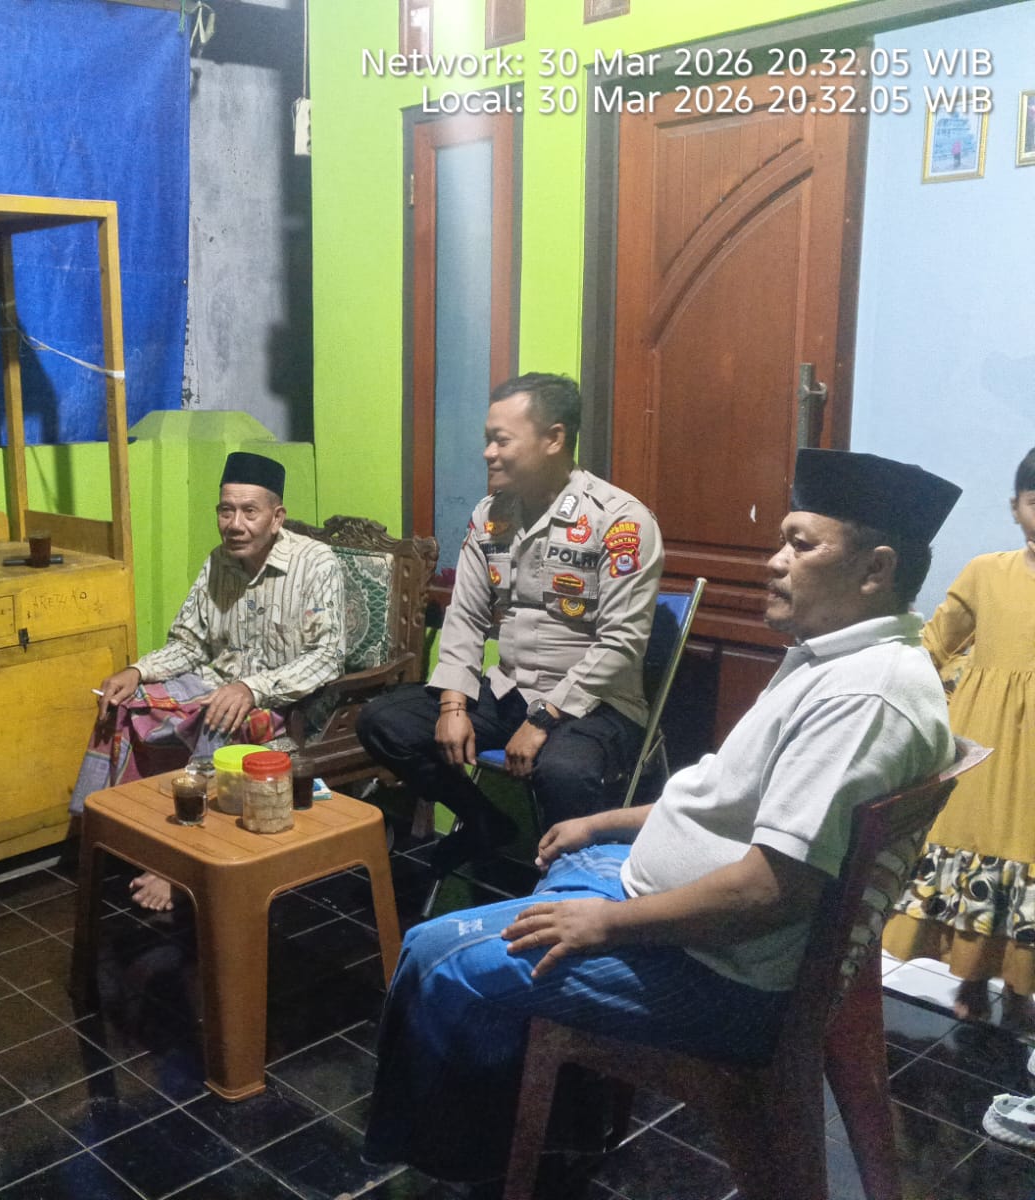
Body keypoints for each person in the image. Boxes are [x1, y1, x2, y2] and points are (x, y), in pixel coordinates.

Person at [361, 449, 960, 1185]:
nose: (774, 562)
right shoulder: (832, 659)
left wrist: (606, 924)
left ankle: (454, 1165)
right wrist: (604, 825)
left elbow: (771, 891)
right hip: (687, 922)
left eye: (800, 545)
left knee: (436, 958)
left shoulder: (864, 697)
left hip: (721, 974)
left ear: (876, 570)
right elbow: (721, 791)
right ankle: (553, 1115)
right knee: (568, 860)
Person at [357, 373, 663, 875]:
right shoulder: (490, 517)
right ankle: (484, 822)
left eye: (501, 440)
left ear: (554, 439)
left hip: (595, 704)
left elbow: (621, 642)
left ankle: (568, 885)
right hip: (510, 691)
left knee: (563, 770)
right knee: (385, 722)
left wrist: (543, 720)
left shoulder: (619, 521)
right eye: (488, 440)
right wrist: (453, 704)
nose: (488, 453)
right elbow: (465, 616)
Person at [70, 451, 345, 911]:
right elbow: (189, 643)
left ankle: (182, 861)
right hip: (215, 682)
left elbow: (327, 657)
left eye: (249, 511)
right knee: (123, 702)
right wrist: (137, 671)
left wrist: (252, 689)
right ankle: (111, 831)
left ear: (277, 517)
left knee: (221, 715)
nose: (234, 524)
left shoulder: (316, 563)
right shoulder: (219, 561)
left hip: (282, 699)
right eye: (225, 510)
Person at [884, 446, 1035, 1030]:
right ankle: (972, 978)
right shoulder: (985, 572)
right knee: (977, 843)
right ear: (1015, 508)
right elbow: (934, 644)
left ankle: (1021, 989)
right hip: (986, 742)